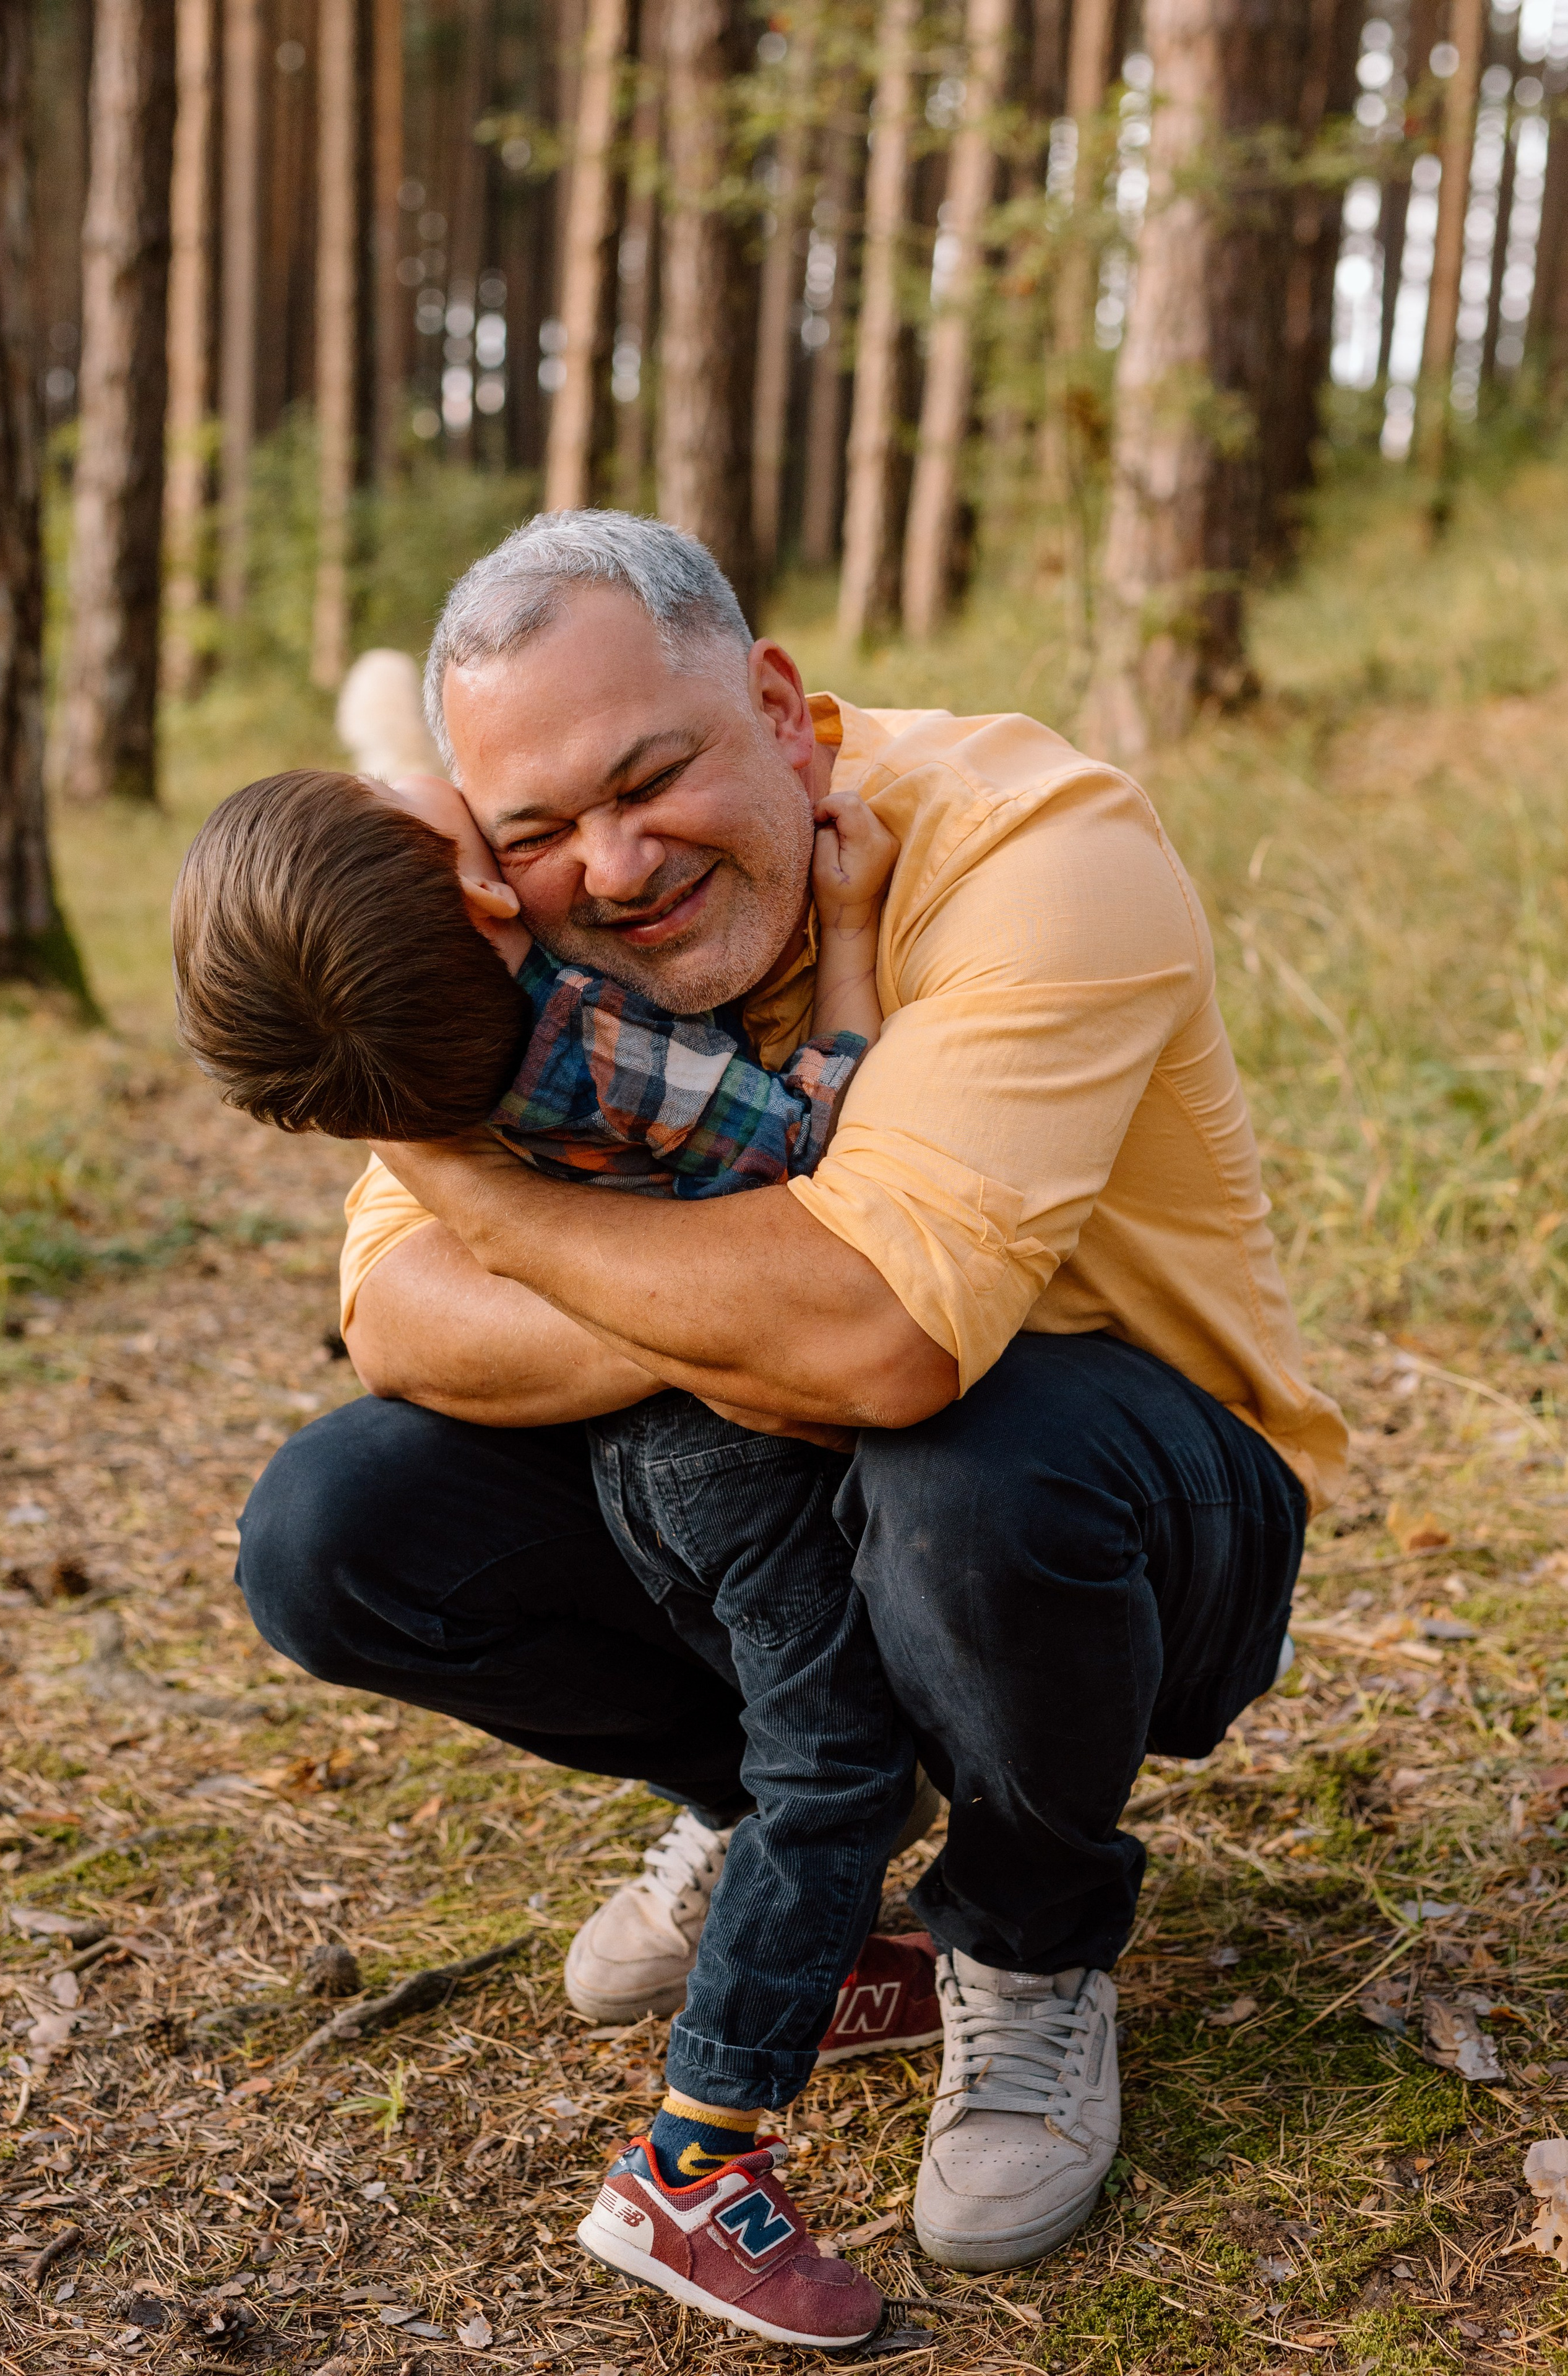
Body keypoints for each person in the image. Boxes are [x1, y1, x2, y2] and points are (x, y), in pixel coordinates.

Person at [233, 511, 1347, 2295]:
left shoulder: (1034, 843)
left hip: (1132, 1515)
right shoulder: (513, 936)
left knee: (960, 1458)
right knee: (334, 1525)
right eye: (538, 829)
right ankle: (777, 1812)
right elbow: (400, 1323)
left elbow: (887, 1349)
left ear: (776, 704)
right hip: (787, 1496)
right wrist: (763, 1314)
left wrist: (496, 1207)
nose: (614, 866)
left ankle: (1030, 1940)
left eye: (650, 777)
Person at [173, 754, 931, 2350]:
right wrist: (854, 932)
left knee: (814, 1752)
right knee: (835, 1769)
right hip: (719, 1442)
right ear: (474, 891)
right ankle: (692, 2169)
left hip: (602, 1445)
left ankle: (826, 1967)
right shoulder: (584, 1042)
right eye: (412, 795)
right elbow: (812, 1145)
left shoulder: (404, 1063)